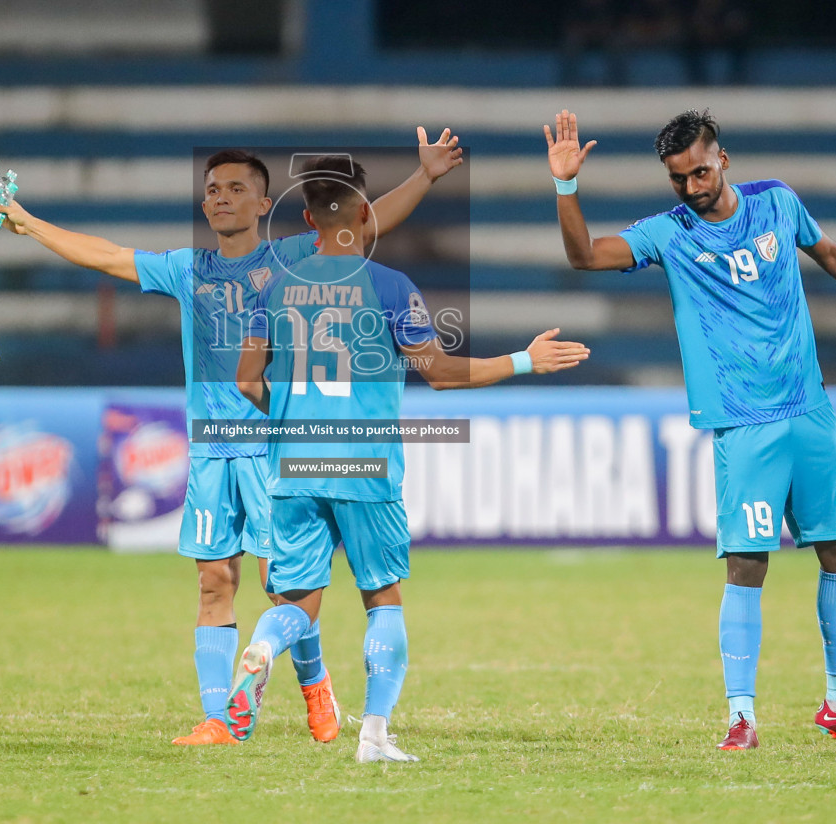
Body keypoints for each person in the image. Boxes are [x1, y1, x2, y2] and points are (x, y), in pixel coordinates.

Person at [0, 134, 464, 746]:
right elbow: (107, 256)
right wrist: (28, 224)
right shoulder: (189, 269)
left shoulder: (292, 257)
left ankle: (316, 685)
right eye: (212, 189)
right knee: (214, 580)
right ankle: (220, 719)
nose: (221, 198)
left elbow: (362, 224)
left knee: (286, 585)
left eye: (236, 188)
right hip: (213, 447)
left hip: (274, 446)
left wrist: (424, 177)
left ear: (265, 203)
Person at [544, 108, 836, 750]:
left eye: (700, 172)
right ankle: (742, 718)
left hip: (809, 408)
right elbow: (584, 255)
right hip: (743, 421)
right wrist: (565, 186)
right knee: (748, 563)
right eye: (679, 180)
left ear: (723, 159)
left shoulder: (778, 202)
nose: (693, 188)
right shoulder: (668, 234)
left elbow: (830, 253)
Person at [226, 155, 591, 763]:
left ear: (308, 218)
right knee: (382, 598)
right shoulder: (390, 286)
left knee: (296, 605)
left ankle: (263, 648)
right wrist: (524, 360)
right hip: (364, 465)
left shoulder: (277, 286)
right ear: (366, 214)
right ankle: (374, 736)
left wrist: (290, 413)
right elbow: (441, 375)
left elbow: (245, 381)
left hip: (292, 464)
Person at [684, 0, 750, 86]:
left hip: (727, 40)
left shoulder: (732, 2)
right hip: (701, 41)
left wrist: (720, 30)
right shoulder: (692, 3)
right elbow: (692, 25)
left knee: (740, 45)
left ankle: (737, 81)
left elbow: (738, 24)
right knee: (690, 45)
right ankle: (697, 83)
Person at [559, 0, 623, 86]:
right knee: (571, 42)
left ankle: (618, 82)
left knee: (618, 42)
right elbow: (570, 27)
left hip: (605, 38)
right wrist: (589, 31)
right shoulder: (578, 7)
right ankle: (568, 83)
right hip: (583, 38)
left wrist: (601, 31)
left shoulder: (609, 6)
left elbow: (615, 26)